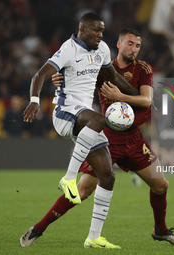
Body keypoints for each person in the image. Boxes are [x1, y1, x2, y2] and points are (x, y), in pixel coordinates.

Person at [21, 28, 174, 247]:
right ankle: (38, 229)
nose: (134, 49)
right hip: (107, 137)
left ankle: (161, 230)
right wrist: (59, 79)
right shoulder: (101, 64)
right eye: (130, 44)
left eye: (137, 45)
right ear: (118, 45)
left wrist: (120, 97)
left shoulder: (143, 68)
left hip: (135, 139)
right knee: (82, 191)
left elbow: (147, 101)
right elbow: (75, 75)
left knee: (161, 185)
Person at [20, 13, 139, 249]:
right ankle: (68, 177)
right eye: (97, 31)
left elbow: (112, 76)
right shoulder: (68, 49)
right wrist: (34, 99)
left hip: (83, 117)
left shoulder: (102, 49)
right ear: (83, 29)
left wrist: (137, 95)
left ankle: (93, 237)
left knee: (107, 176)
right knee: (99, 120)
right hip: (65, 113)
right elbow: (40, 74)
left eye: (102, 31)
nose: (100, 36)